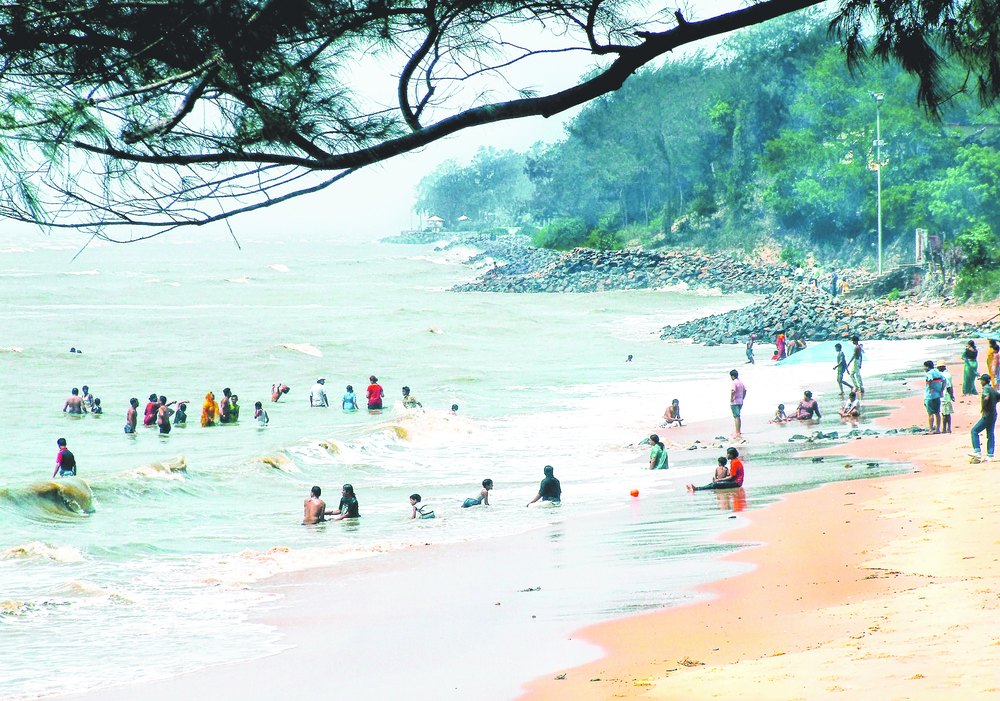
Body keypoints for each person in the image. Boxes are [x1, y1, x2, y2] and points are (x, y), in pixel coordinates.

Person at [971, 373, 999, 462]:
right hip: (993, 414)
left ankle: (977, 451)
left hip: (987, 414)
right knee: (990, 434)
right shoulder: (993, 389)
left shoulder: (986, 389)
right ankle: (990, 455)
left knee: (974, 431)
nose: (980, 382)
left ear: (983, 381)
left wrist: (984, 406)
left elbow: (986, 397)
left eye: (981, 381)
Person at [923, 360, 945, 434]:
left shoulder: (929, 373)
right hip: (937, 395)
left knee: (930, 413)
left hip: (930, 396)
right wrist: (941, 390)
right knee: (937, 413)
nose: (923, 368)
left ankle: (931, 429)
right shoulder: (937, 372)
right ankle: (938, 429)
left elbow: (930, 379)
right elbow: (944, 380)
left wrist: (930, 388)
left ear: (927, 367)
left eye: (924, 366)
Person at [937, 360, 955, 434]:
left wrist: (951, 395)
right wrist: (952, 395)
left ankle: (944, 429)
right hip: (947, 396)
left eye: (938, 367)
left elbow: (948, 387)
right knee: (947, 413)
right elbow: (951, 386)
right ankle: (948, 428)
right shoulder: (948, 374)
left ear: (942, 367)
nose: (937, 368)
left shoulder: (944, 376)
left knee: (944, 413)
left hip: (944, 396)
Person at [729, 369, 746, 439]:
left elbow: (733, 391)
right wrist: (742, 398)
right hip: (740, 401)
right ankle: (739, 431)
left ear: (732, 376)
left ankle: (737, 432)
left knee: (736, 417)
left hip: (735, 401)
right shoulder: (740, 382)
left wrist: (731, 398)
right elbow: (745, 390)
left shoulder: (734, 382)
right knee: (738, 416)